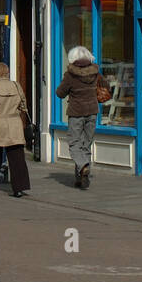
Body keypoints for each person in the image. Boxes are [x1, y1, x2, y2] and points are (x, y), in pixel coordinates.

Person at [55, 45, 107, 189]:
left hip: (76, 112)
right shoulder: (95, 71)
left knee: (74, 143)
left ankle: (83, 165)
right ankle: (81, 179)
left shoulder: (70, 75)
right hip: (92, 111)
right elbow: (106, 85)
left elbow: (60, 93)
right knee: (86, 144)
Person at [0, 62, 31, 198]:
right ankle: (19, 188)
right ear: (7, 72)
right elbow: (23, 105)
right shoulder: (16, 86)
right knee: (17, 158)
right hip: (14, 123)